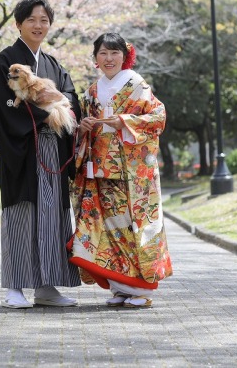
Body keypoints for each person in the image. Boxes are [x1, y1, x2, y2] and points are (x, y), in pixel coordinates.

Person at [0, 0, 82, 309]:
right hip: (23, 149)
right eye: (32, 19)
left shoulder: (53, 63)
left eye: (44, 20)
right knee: (22, 215)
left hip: (53, 148)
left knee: (52, 218)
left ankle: (46, 286)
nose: (38, 25)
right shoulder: (6, 60)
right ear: (18, 24)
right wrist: (47, 111)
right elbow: (7, 107)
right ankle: (15, 287)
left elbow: (70, 95)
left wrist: (60, 100)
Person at [69, 32, 172, 308]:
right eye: (103, 53)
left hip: (132, 172)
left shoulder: (137, 85)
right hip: (99, 170)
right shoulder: (92, 91)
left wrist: (124, 121)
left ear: (124, 56)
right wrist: (84, 127)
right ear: (95, 59)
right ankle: (121, 287)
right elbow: (81, 128)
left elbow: (158, 117)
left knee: (132, 228)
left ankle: (142, 289)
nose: (109, 58)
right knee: (109, 230)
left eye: (114, 53)